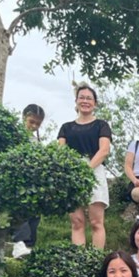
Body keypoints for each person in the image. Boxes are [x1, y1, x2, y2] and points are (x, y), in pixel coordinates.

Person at [58, 84, 111, 249]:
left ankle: (96, 259)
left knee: (96, 222)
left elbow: (104, 150)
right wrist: (74, 171)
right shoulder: (66, 127)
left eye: (89, 98)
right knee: (77, 222)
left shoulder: (101, 125)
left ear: (95, 103)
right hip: (72, 173)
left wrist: (86, 170)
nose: (85, 101)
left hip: (95, 170)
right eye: (82, 97)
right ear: (76, 101)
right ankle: (79, 259)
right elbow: (61, 152)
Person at [12, 104, 46, 258]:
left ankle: (30, 246)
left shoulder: (36, 142)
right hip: (18, 182)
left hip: (33, 184)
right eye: (31, 122)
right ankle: (19, 243)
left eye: (37, 124)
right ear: (24, 117)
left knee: (34, 215)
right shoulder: (14, 136)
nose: (34, 126)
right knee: (21, 212)